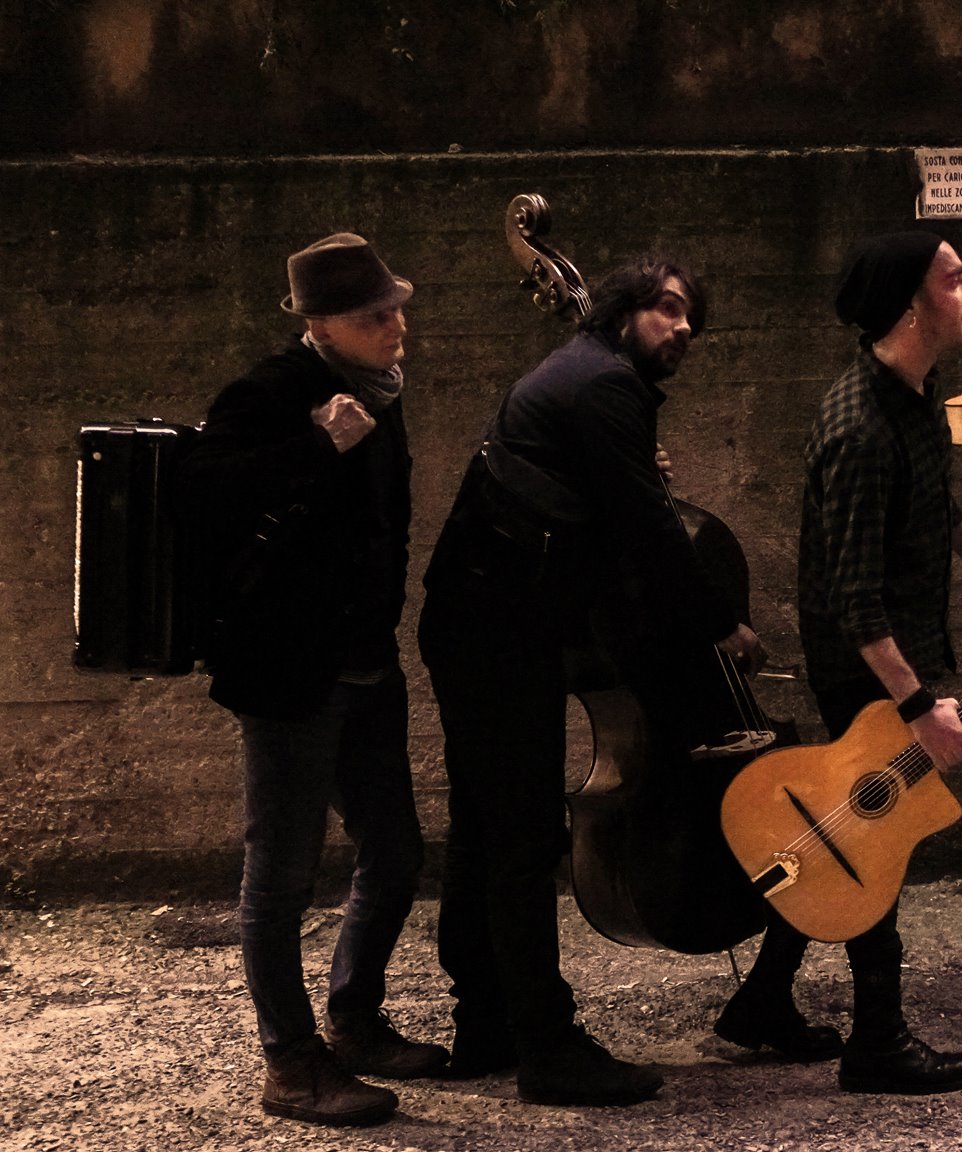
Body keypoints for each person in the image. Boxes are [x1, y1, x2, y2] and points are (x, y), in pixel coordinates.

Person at [418, 256, 765, 1107]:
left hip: (477, 624)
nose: (684, 328)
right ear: (619, 310)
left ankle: (486, 1024)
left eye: (692, 316)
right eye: (667, 309)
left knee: (486, 835)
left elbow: (590, 508)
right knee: (522, 839)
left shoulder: (582, 376)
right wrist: (720, 620)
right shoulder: (605, 384)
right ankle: (546, 1049)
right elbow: (648, 531)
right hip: (500, 633)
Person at [717, 231, 962, 1095]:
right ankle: (878, 1042)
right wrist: (921, 708)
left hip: (900, 646)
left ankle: (761, 1003)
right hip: (864, 662)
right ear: (909, 307)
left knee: (840, 833)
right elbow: (855, 605)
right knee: (875, 832)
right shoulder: (859, 429)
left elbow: (934, 497)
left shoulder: (916, 394)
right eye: (956, 280)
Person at [180, 233, 447, 1127]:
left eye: (397, 308)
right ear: (322, 326)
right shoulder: (270, 393)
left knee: (396, 852)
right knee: (281, 875)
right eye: (375, 316)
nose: (397, 326)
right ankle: (291, 1066)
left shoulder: (382, 391)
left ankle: (354, 1022)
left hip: (366, 662)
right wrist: (314, 446)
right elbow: (198, 497)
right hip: (288, 671)